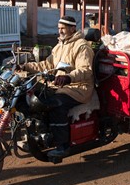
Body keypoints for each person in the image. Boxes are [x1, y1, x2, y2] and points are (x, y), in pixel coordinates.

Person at [22, 16, 95, 158]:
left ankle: (62, 146)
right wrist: (25, 66)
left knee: (56, 104)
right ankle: (40, 135)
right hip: (59, 85)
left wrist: (68, 77)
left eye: (63, 28)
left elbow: (86, 70)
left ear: (72, 29)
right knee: (34, 98)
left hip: (78, 88)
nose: (59, 31)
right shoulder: (59, 46)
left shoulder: (81, 46)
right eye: (58, 28)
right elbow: (46, 65)